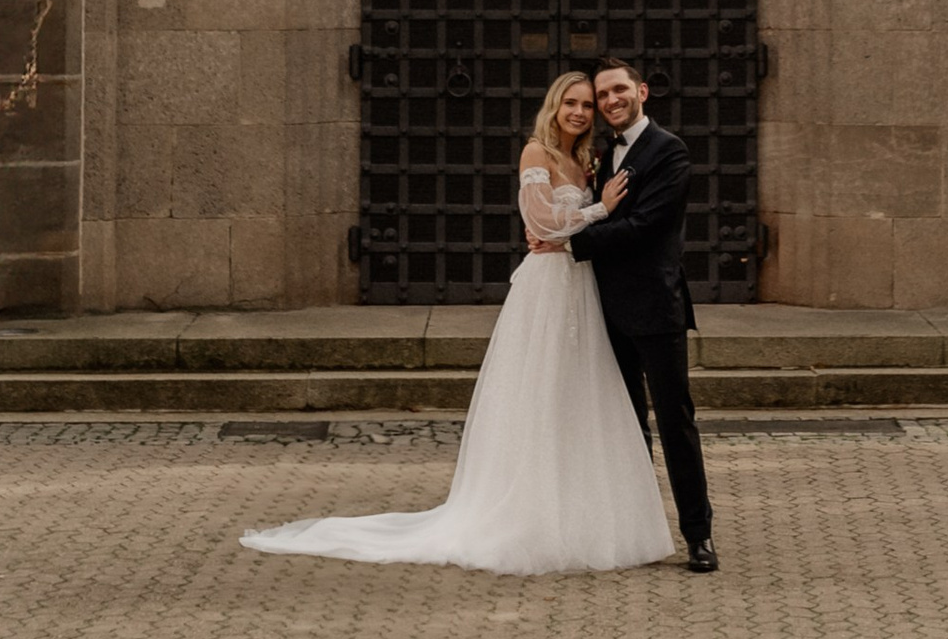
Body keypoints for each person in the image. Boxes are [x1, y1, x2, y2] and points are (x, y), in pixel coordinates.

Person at [239, 76, 676, 575]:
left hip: (582, 285)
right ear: (553, 107)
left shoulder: (587, 160)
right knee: (541, 393)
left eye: (585, 105)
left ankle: (585, 515)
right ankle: (531, 516)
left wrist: (589, 218)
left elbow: (569, 231)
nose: (578, 112)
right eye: (569, 103)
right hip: (548, 289)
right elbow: (540, 226)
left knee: (581, 397)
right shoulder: (537, 154)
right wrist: (602, 208)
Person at [570, 54, 718, 574]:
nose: (610, 101)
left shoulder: (669, 151)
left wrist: (572, 242)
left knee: (675, 422)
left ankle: (698, 534)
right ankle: (633, 531)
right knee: (626, 425)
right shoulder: (600, 154)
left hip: (656, 309)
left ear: (642, 92)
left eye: (618, 91)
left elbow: (647, 227)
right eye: (602, 95)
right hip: (606, 310)